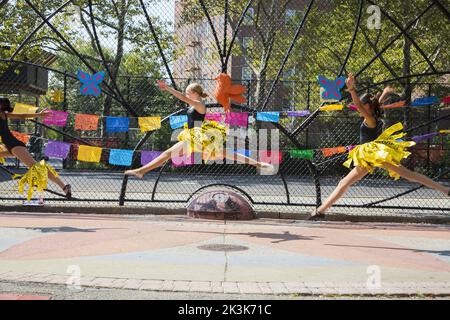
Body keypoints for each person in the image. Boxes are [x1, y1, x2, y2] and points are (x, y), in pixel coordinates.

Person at [309, 74, 449, 220]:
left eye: (363, 106)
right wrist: (385, 93)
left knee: (346, 183)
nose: (359, 108)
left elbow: (358, 104)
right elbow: (376, 103)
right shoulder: (373, 114)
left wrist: (351, 89)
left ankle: (321, 211)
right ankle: (321, 211)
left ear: (368, 107)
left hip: (372, 155)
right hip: (373, 155)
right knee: (407, 175)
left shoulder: (370, 118)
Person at [125, 80, 274, 178]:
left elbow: (183, 98)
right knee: (226, 153)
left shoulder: (199, 104)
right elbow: (186, 99)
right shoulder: (195, 104)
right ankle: (258, 164)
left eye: (188, 92)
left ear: (194, 93)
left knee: (167, 154)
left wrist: (168, 88)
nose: (186, 94)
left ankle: (140, 171)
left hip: (196, 137)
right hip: (194, 136)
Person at [0, 97, 72, 199]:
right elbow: (23, 116)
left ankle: (64, 186)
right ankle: (64, 186)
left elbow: (23, 116)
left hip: (14, 145)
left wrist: (39, 115)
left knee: (36, 167)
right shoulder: (5, 114)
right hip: (10, 146)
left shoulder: (2, 114)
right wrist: (39, 115)